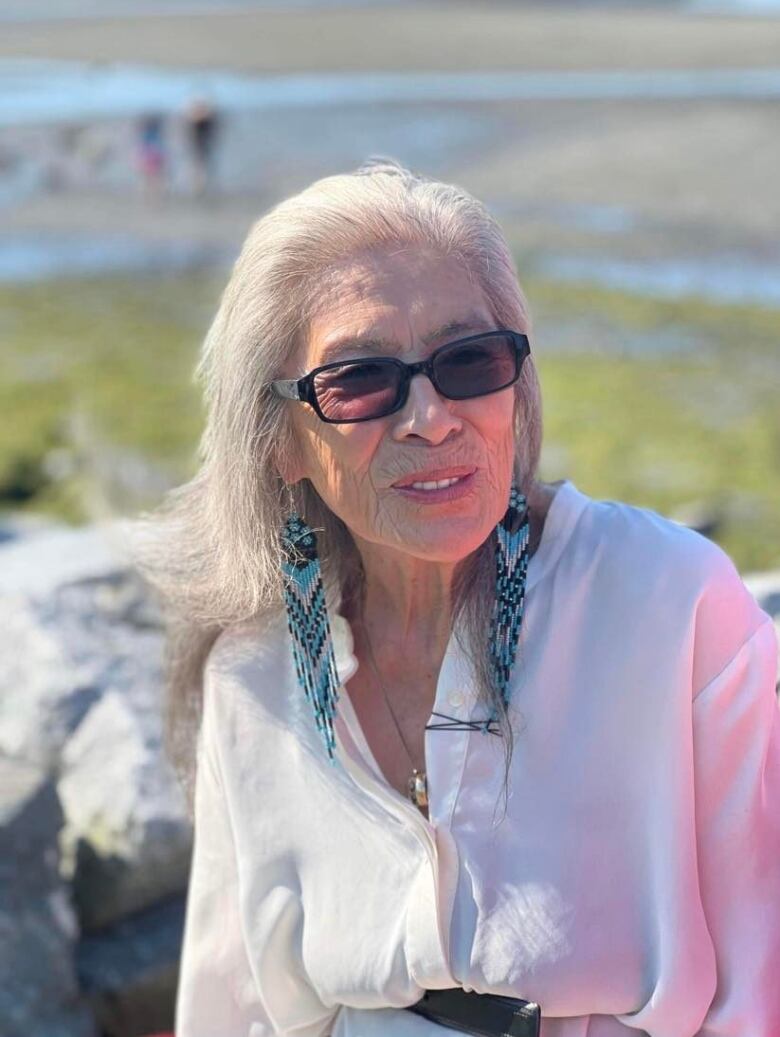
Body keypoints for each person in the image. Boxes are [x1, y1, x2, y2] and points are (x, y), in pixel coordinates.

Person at [134, 160, 780, 1037]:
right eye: (360, 379)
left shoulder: (673, 606)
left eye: (469, 359)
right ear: (281, 442)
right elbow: (231, 1008)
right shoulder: (255, 675)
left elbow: (763, 983)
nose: (432, 416)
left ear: (516, 388)